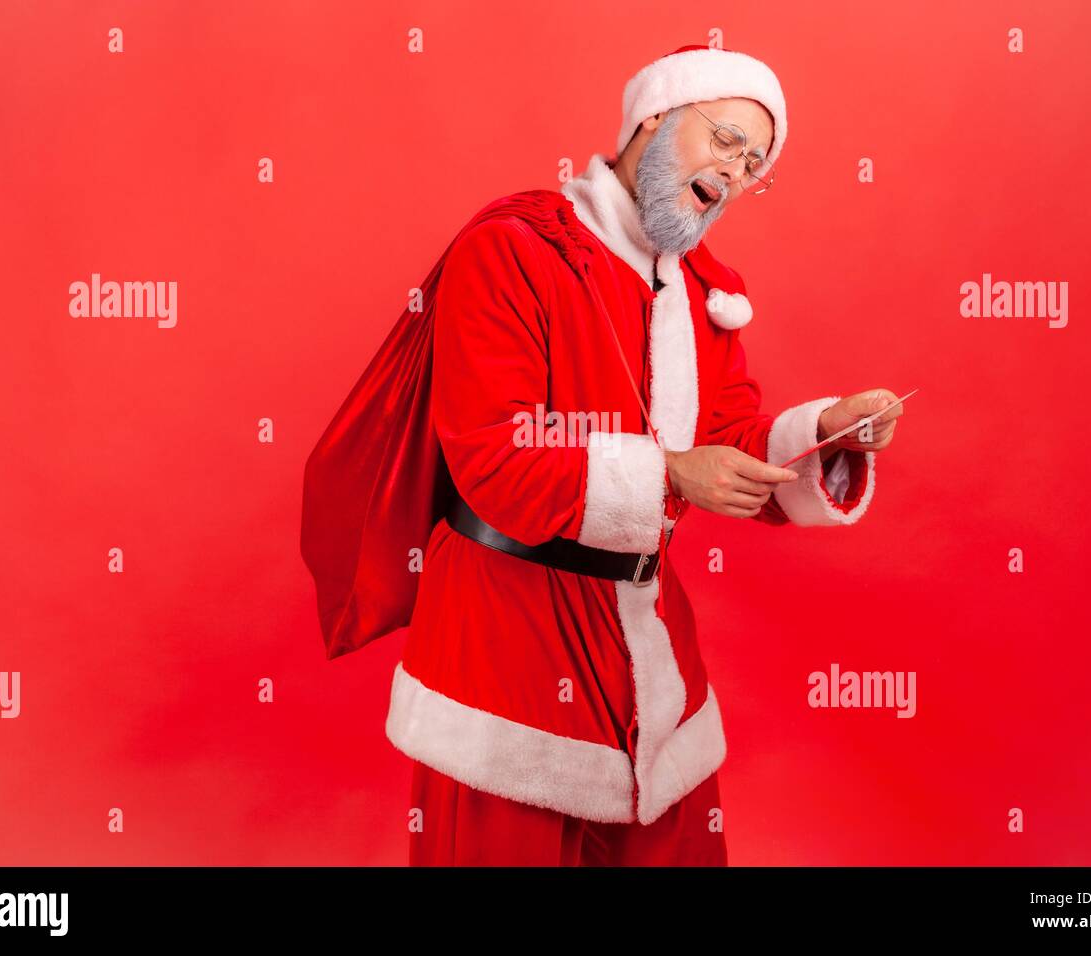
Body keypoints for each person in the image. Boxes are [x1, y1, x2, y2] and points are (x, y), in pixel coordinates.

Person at [304, 43, 906, 867]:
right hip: (505, 657)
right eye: (725, 140)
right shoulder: (513, 248)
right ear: (654, 119)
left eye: (755, 163)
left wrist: (828, 433)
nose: (736, 172)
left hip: (651, 657)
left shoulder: (702, 291)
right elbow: (494, 459)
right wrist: (668, 475)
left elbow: (728, 439)